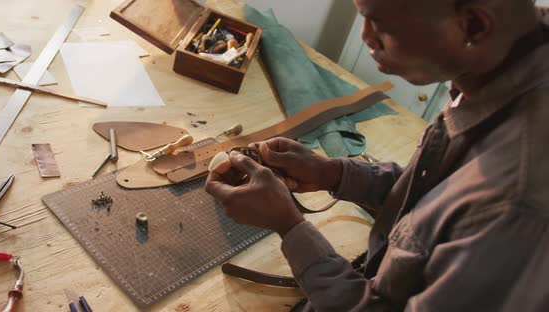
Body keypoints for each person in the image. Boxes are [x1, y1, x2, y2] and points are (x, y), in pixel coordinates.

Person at [206, 0, 549, 311]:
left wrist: (289, 226)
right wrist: (332, 173)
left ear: (474, 25)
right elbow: (437, 201)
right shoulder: (504, 63)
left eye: (378, 23)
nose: (365, 36)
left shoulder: (517, 202)